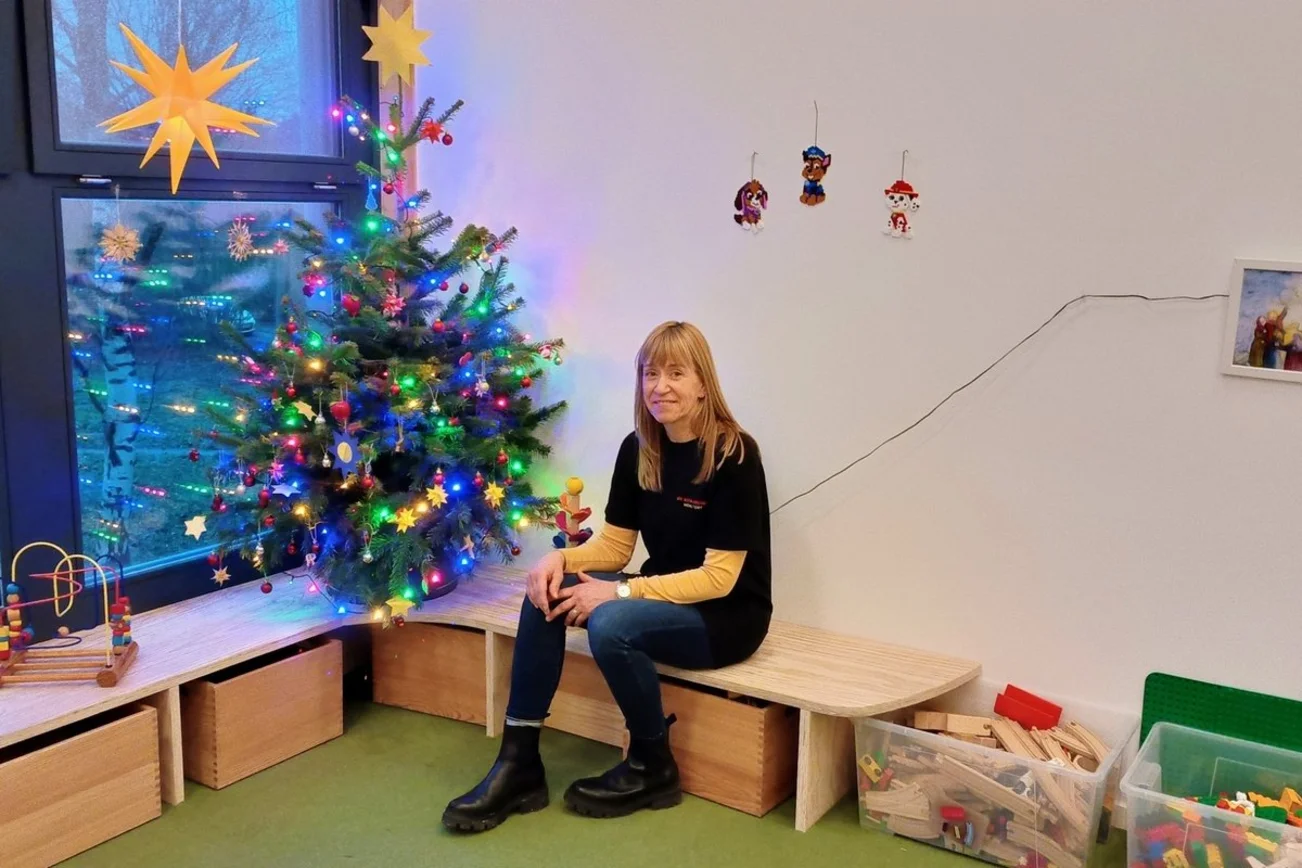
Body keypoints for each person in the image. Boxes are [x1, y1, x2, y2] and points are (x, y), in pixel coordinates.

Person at [442, 320, 772, 832]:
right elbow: (617, 545)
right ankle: (519, 763)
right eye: (650, 373)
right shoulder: (639, 447)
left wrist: (618, 590)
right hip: (662, 601)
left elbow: (719, 579)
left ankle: (653, 766)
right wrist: (563, 562)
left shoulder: (733, 454)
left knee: (610, 624)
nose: (660, 387)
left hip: (726, 619)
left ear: (703, 383)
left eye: (676, 373)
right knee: (544, 595)